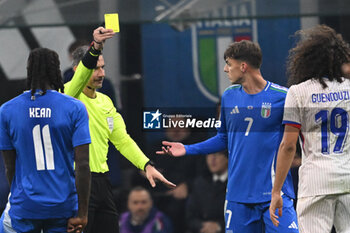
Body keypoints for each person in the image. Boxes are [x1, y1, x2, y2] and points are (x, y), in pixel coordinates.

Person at [157, 40, 298, 232]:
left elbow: (293, 141)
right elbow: (223, 138)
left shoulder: (283, 97)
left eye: (229, 64)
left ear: (243, 66)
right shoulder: (229, 96)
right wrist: (188, 149)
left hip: (274, 193)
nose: (225, 69)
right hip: (238, 198)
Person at [65, 27, 176, 233]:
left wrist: (146, 165)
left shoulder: (106, 101)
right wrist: (96, 45)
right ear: (77, 71)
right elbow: (79, 78)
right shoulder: (67, 96)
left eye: (103, 67)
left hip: (102, 183)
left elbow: (122, 140)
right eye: (95, 68)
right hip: (76, 183)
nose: (102, 74)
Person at [0, 48, 91, 233]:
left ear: (29, 70)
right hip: (63, 206)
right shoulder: (74, 108)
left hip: (25, 206)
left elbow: (10, 167)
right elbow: (82, 164)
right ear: (56, 70)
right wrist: (82, 214)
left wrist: (22, 196)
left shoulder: (7, 110)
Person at [269, 25, 350, 233]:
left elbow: (288, 146)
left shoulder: (298, 93)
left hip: (315, 181)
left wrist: (276, 191)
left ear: (306, 59)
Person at [186, 151, 228, 233]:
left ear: (227, 158)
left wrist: (219, 226)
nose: (212, 159)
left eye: (217, 154)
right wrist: (202, 226)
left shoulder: (236, 185)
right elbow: (190, 217)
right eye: (209, 154)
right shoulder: (200, 183)